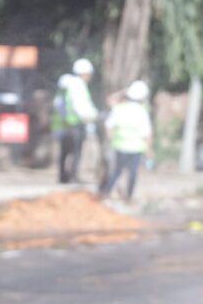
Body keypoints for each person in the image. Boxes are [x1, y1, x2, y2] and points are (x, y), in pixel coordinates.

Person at [101, 79, 152, 202]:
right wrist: (149, 149)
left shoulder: (119, 108)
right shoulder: (142, 111)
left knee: (117, 172)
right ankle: (129, 197)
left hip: (120, 146)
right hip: (136, 148)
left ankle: (105, 193)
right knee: (133, 173)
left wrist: (123, 92)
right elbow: (148, 133)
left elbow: (108, 126)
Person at [55, 58, 99, 186]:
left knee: (65, 151)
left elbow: (58, 104)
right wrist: (92, 116)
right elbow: (81, 106)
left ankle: (63, 176)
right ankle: (73, 176)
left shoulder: (67, 85)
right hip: (77, 123)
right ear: (85, 73)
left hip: (66, 123)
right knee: (76, 151)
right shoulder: (78, 85)